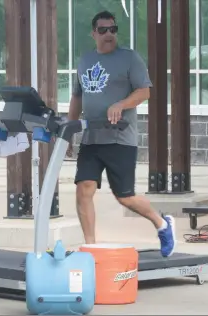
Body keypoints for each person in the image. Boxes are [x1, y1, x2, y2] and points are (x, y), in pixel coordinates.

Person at [66, 10, 176, 257]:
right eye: (103, 30)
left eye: (113, 29)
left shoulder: (129, 59)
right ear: (93, 33)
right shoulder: (85, 61)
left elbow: (144, 91)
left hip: (119, 139)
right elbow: (77, 96)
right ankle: (91, 248)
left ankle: (162, 223)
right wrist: (69, 128)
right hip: (91, 138)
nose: (109, 34)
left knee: (125, 197)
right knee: (84, 188)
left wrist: (120, 104)